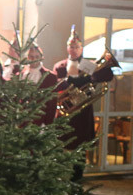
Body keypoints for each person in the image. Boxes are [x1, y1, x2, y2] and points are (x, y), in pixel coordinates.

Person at [52, 25, 113, 180]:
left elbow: (105, 77)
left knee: (80, 148)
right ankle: (60, 178)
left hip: (82, 112)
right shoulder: (60, 66)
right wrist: (69, 82)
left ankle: (77, 180)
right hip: (65, 113)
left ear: (81, 48)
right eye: (71, 46)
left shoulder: (88, 64)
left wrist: (91, 76)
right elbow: (56, 86)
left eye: (77, 46)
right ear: (67, 48)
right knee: (61, 145)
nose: (74, 49)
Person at [18, 39, 59, 125]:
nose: (34, 59)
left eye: (36, 57)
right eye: (31, 57)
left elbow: (52, 104)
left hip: (40, 122)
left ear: (41, 57)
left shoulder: (50, 77)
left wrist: (47, 124)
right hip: (23, 121)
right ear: (27, 57)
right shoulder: (20, 75)